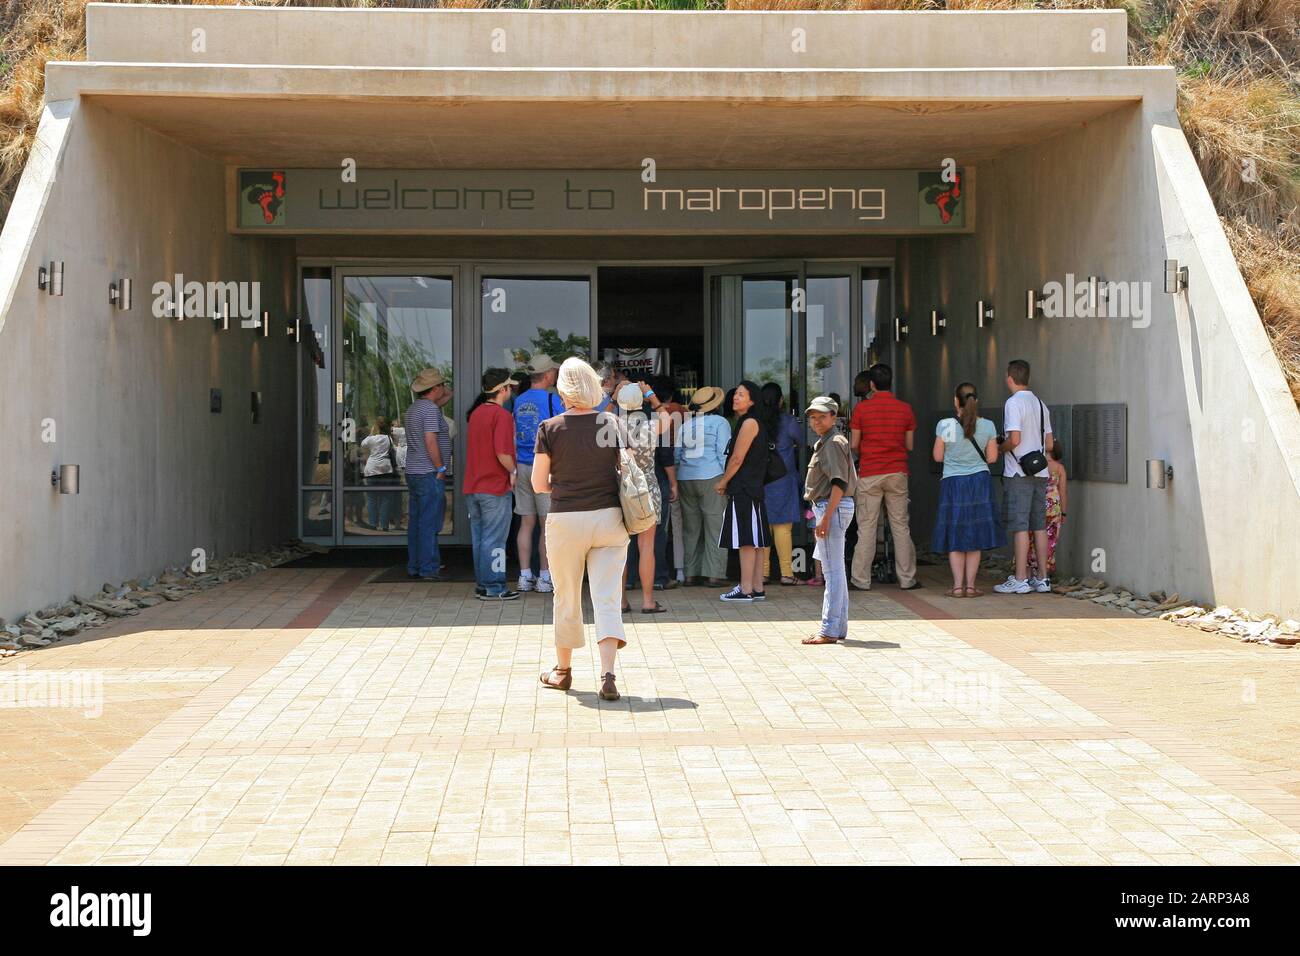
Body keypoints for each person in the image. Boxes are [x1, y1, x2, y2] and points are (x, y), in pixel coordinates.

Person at [535, 357, 630, 702]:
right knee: (607, 597)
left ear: (562, 388)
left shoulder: (550, 427)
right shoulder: (612, 422)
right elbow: (627, 472)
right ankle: (608, 674)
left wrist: (562, 483)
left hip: (566, 520)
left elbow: (537, 483)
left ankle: (562, 671)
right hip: (609, 518)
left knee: (567, 595)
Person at [848, 363, 920, 591]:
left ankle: (861, 580)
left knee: (867, 527)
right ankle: (907, 579)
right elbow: (909, 445)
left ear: (871, 384)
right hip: (897, 471)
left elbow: (854, 444)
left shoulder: (862, 410)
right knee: (900, 526)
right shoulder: (905, 409)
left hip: (870, 472)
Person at [931, 383, 1003, 598]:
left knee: (955, 533)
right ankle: (970, 586)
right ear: (976, 401)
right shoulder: (988, 426)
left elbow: (937, 457)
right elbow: (991, 458)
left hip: (953, 483)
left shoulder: (944, 425)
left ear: (956, 401)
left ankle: (956, 586)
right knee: (975, 534)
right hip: (979, 483)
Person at [994, 359, 1056, 594]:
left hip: (1018, 472)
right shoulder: (1041, 404)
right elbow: (1049, 443)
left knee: (1020, 526)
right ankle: (1042, 578)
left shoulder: (1013, 403)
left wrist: (1001, 447)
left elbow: (1015, 439)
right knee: (1038, 525)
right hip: (1040, 472)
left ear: (1009, 378)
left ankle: (1020, 578)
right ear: (1027, 378)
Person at [801, 396, 857, 644]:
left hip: (831, 507)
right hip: (831, 507)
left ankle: (829, 629)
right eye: (813, 417)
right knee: (836, 571)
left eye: (822, 416)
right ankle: (837, 627)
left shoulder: (833, 442)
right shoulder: (828, 441)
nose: (816, 421)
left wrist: (825, 519)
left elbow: (839, 483)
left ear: (834, 417)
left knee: (832, 572)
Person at [464, 368, 521, 601]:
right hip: (494, 487)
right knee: (495, 539)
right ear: (502, 390)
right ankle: (495, 586)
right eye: (509, 387)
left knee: (480, 538)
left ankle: (483, 583)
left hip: (473, 486)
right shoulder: (502, 416)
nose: (511, 390)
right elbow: (502, 453)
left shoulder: (476, 413)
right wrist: (513, 470)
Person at [616, 382, 672, 614]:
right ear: (641, 402)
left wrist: (613, 395)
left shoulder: (611, 426)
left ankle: (621, 601)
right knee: (646, 546)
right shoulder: (651, 426)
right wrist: (652, 395)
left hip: (622, 487)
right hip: (648, 485)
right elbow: (667, 419)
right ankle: (648, 601)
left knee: (619, 548)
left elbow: (604, 413)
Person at [716, 380, 770, 602]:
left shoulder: (748, 423)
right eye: (735, 394)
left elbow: (737, 458)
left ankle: (745, 587)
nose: (735, 397)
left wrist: (723, 482)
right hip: (754, 488)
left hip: (744, 487)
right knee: (755, 539)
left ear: (752, 400)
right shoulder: (753, 422)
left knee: (746, 539)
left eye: (741, 394)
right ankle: (756, 586)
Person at [512, 354, 562, 594]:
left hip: (522, 464)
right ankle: (544, 576)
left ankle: (524, 575)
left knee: (526, 522)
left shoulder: (519, 400)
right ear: (548, 375)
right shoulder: (552, 399)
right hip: (544, 465)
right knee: (547, 525)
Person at [675, 385, 730, 586]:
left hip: (685, 478)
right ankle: (714, 574)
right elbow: (723, 453)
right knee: (715, 526)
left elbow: (677, 455)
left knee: (691, 528)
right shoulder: (720, 422)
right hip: (711, 476)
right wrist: (726, 480)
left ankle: (690, 574)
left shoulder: (685, 424)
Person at [404, 368, 453, 580]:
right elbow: (430, 440)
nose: (445, 389)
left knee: (416, 521)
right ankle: (429, 568)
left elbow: (448, 395)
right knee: (430, 522)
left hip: (414, 470)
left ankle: (415, 565)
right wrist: (440, 468)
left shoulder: (415, 409)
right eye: (441, 385)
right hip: (429, 471)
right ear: (435, 388)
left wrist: (440, 387)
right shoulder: (431, 411)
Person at [758, 383, 802, 585]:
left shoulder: (755, 421)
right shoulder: (789, 421)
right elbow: (801, 441)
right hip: (783, 478)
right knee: (783, 527)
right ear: (781, 400)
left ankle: (763, 573)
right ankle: (786, 573)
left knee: (763, 527)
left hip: (761, 478)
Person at [1029, 443, 1068, 581]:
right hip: (1054, 507)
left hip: (1036, 503)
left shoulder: (1036, 464)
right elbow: (1063, 491)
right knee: (1050, 539)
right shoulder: (1059, 468)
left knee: (1031, 537)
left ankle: (1030, 571)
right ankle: (1044, 571)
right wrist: (1063, 512)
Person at [360, 416, 399, 532]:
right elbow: (394, 449)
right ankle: (384, 525)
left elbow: (362, 445)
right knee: (385, 498)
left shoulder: (371, 438)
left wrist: (372, 433)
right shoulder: (388, 438)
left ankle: (373, 524)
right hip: (385, 469)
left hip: (371, 469)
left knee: (372, 498)